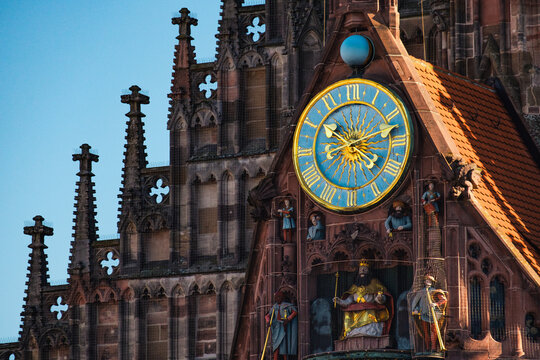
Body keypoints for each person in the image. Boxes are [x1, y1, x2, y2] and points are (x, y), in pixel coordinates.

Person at [333, 261, 393, 338]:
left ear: (369, 271)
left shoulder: (375, 283)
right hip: (356, 310)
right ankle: (353, 332)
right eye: (361, 269)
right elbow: (349, 300)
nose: (362, 271)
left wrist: (380, 298)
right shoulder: (355, 286)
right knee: (348, 314)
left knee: (369, 313)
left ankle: (369, 332)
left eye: (365, 269)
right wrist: (340, 301)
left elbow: (380, 298)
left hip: (370, 309)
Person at [411, 275, 448, 354]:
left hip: (433, 314)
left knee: (434, 331)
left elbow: (444, 300)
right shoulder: (421, 292)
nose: (428, 282)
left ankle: (434, 347)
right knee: (425, 331)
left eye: (430, 281)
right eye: (427, 281)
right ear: (424, 282)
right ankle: (427, 347)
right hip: (424, 314)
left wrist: (436, 304)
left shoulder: (434, 291)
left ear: (432, 283)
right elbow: (415, 302)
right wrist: (415, 310)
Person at [265, 291, 298, 360]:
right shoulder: (274, 307)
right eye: (276, 297)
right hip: (276, 327)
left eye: (279, 297)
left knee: (283, 346)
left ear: (282, 298)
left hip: (283, 327)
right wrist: (268, 321)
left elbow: (294, 312)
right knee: (276, 346)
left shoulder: (287, 305)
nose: (277, 299)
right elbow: (267, 315)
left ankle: (285, 358)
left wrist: (288, 319)